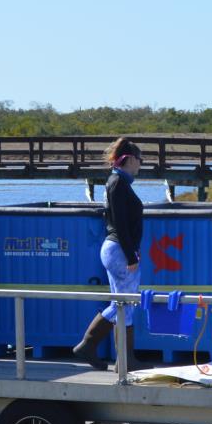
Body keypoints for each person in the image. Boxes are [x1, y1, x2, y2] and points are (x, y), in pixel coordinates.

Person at [73, 139, 144, 369]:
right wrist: (131, 255)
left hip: (117, 249)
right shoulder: (117, 183)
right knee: (124, 303)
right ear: (130, 159)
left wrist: (132, 250)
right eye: (140, 160)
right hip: (118, 250)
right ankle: (89, 345)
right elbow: (121, 223)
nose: (140, 165)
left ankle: (123, 359)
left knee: (122, 302)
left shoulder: (117, 182)